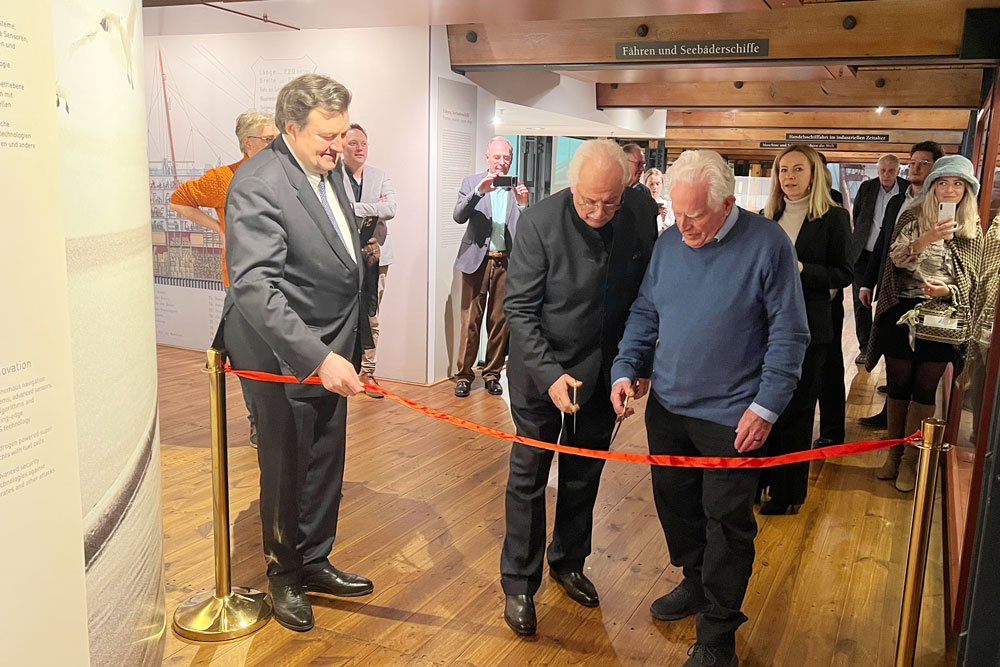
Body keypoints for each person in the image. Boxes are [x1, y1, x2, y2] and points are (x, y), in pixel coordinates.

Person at [611, 150, 809, 667]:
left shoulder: (769, 246)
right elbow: (646, 310)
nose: (683, 226)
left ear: (726, 203)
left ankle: (719, 631)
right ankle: (695, 581)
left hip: (733, 416)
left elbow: (790, 334)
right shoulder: (671, 242)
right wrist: (625, 365)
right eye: (676, 214)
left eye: (694, 215)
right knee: (676, 506)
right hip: (670, 408)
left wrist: (767, 407)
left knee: (727, 522)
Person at [218, 74, 381, 632]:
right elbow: (255, 288)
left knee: (325, 457)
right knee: (287, 465)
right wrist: (315, 356)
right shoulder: (257, 183)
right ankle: (283, 574)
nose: (339, 147)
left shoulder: (325, 168)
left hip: (332, 343)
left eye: (342, 134)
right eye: (327, 137)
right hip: (282, 350)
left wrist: (349, 342)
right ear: (290, 128)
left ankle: (314, 559)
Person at [500, 140, 656, 637]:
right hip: (538, 375)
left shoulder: (636, 213)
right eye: (589, 201)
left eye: (610, 202)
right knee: (528, 480)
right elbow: (519, 311)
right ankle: (519, 583)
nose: (599, 212)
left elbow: (642, 298)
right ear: (572, 184)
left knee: (584, 473)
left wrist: (637, 365)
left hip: (604, 372)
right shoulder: (539, 222)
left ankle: (568, 561)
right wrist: (550, 376)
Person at [864, 155, 982, 492]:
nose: (949, 190)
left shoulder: (973, 228)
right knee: (898, 385)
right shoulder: (913, 216)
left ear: (966, 190)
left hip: (943, 316)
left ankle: (912, 461)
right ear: (932, 186)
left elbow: (974, 281)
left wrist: (949, 289)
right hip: (903, 310)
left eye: (957, 184)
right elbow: (895, 257)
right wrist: (926, 237)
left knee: (926, 388)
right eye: (943, 182)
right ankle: (892, 453)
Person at [169, 110, 277, 446]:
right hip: (241, 280)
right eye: (268, 139)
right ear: (248, 143)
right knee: (249, 354)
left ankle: (278, 419)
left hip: (281, 279)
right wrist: (218, 228)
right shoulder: (223, 178)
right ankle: (259, 421)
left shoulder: (284, 175)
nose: (276, 145)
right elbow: (180, 200)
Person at [758, 145, 852, 515]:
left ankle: (787, 493)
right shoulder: (767, 218)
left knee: (796, 411)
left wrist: (801, 270)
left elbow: (844, 273)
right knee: (763, 407)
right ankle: (758, 478)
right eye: (783, 170)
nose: (790, 177)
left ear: (814, 175)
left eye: (798, 169)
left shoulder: (833, 218)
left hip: (810, 330)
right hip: (763, 328)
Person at [857, 142, 945, 428]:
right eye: (914, 161)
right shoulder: (898, 201)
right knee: (895, 364)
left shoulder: (943, 203)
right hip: (894, 291)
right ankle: (890, 426)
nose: (916, 167)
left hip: (931, 298)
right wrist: (867, 282)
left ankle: (914, 447)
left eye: (924, 163)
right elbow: (883, 244)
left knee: (923, 378)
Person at [452, 136, 529, 398]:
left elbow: (526, 231)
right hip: (476, 261)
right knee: (470, 321)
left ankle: (493, 374)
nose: (502, 162)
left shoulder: (516, 188)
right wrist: (479, 192)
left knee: (500, 321)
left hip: (506, 261)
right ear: (487, 157)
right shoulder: (472, 183)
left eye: (506, 157)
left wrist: (523, 205)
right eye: (497, 157)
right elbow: (458, 215)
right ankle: (463, 375)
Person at [341, 123, 396, 399]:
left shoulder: (380, 176)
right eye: (353, 143)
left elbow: (390, 209)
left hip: (376, 256)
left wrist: (355, 208)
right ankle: (345, 370)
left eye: (363, 143)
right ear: (341, 146)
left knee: (371, 316)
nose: (360, 148)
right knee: (344, 315)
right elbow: (334, 210)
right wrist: (374, 207)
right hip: (342, 257)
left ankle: (369, 372)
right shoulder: (331, 176)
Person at [850, 155, 910, 364]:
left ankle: (885, 349)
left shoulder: (907, 189)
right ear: (877, 170)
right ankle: (865, 347)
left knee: (888, 301)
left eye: (891, 170)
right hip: (863, 253)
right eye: (882, 170)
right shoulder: (866, 188)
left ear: (898, 171)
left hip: (891, 255)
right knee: (861, 301)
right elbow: (857, 215)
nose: (886, 175)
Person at [643, 166, 674, 234]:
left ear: (662, 185)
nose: (655, 187)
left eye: (658, 184)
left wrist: (664, 219)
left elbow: (673, 230)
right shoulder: (640, 205)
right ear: (645, 185)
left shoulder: (669, 205)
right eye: (651, 184)